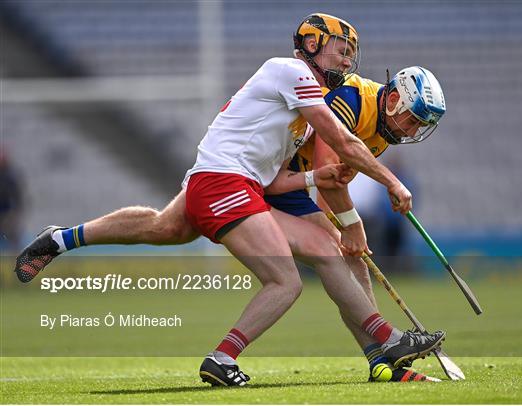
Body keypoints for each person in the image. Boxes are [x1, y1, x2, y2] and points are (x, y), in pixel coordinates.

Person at [14, 13, 445, 386]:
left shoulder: (299, 119)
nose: (349, 60)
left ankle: (60, 239)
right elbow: (343, 140)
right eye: (340, 49)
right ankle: (228, 357)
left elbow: (276, 182)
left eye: (352, 52)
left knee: (167, 228)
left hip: (235, 183)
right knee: (286, 281)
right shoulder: (290, 72)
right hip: (224, 182)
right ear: (311, 45)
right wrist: (392, 183)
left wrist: (313, 175)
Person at [265, 65, 447, 382]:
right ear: (393, 99)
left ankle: (382, 362)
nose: (412, 131)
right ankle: (387, 353)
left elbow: (333, 182)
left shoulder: (384, 130)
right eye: (413, 120)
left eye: (420, 126)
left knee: (351, 261)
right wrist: (352, 225)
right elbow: (326, 169)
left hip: (295, 187)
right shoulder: (350, 99)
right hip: (268, 180)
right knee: (345, 261)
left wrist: (343, 227)